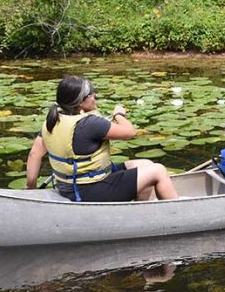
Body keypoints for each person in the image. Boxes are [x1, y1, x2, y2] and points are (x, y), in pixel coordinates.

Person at [25, 75, 178, 202]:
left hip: (69, 186)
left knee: (146, 163)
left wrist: (30, 188)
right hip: (90, 190)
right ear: (80, 102)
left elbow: (34, 155)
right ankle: (177, 213)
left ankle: (138, 211)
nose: (94, 96)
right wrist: (119, 115)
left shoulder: (52, 120)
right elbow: (130, 132)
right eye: (91, 94)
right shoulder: (89, 123)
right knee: (158, 170)